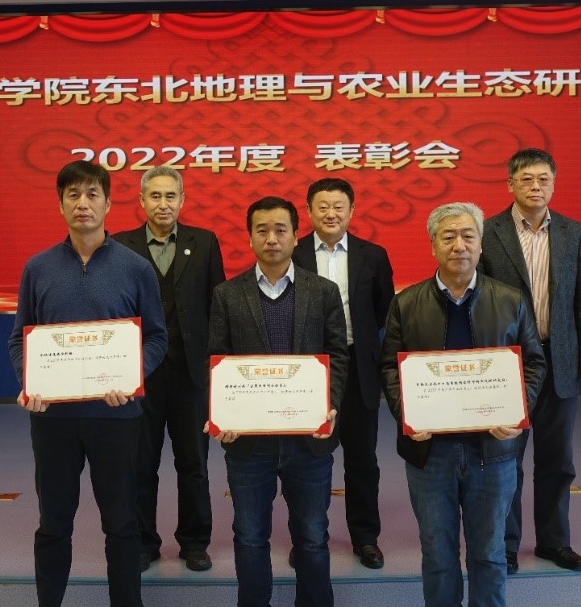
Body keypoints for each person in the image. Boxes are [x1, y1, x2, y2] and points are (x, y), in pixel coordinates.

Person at [8, 160, 168, 607]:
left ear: (108, 203)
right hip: (53, 419)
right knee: (54, 523)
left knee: (122, 523)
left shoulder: (136, 268)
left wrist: (131, 375)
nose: (83, 203)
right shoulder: (37, 268)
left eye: (92, 194)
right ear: (60, 205)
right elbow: (20, 338)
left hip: (116, 416)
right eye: (73, 195)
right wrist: (29, 381)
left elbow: (157, 337)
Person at [381, 202, 544, 607]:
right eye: (448, 237)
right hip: (429, 452)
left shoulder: (510, 300)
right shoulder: (406, 303)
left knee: (489, 553)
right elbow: (389, 367)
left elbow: (534, 363)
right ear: (433, 245)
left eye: (468, 236)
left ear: (481, 244)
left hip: (493, 450)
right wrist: (408, 415)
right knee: (438, 555)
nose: (459, 246)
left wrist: (517, 412)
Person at [206, 196, 348, 607]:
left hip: (309, 439)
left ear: (296, 236)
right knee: (250, 536)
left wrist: (330, 403)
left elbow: (337, 354)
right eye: (262, 230)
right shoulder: (227, 294)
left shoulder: (323, 292)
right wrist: (221, 413)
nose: (271, 238)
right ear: (249, 237)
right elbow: (218, 359)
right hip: (250, 444)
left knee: (312, 536)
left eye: (280, 230)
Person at [480, 148, 581, 574]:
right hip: (508, 361)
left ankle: (554, 542)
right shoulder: (488, 231)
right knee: (505, 457)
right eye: (527, 179)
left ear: (554, 184)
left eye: (543, 179)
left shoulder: (572, 231)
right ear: (510, 184)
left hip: (560, 357)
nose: (536, 186)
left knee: (557, 460)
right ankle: (505, 545)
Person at [113, 166, 225, 573]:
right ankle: (144, 542)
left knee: (193, 465)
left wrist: (217, 368)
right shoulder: (119, 246)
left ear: (182, 200)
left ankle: (194, 542)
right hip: (140, 374)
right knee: (140, 464)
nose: (163, 204)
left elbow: (218, 306)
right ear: (141, 201)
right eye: (155, 196)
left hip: (191, 374)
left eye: (171, 196)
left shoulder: (205, 242)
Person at [293, 178, 395, 569]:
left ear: (352, 210)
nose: (331, 213)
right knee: (307, 461)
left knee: (362, 460)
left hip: (358, 368)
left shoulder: (374, 255)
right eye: (322, 206)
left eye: (339, 206)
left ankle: (365, 538)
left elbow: (383, 310)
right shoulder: (294, 253)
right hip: (310, 370)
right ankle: (308, 536)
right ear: (309, 211)